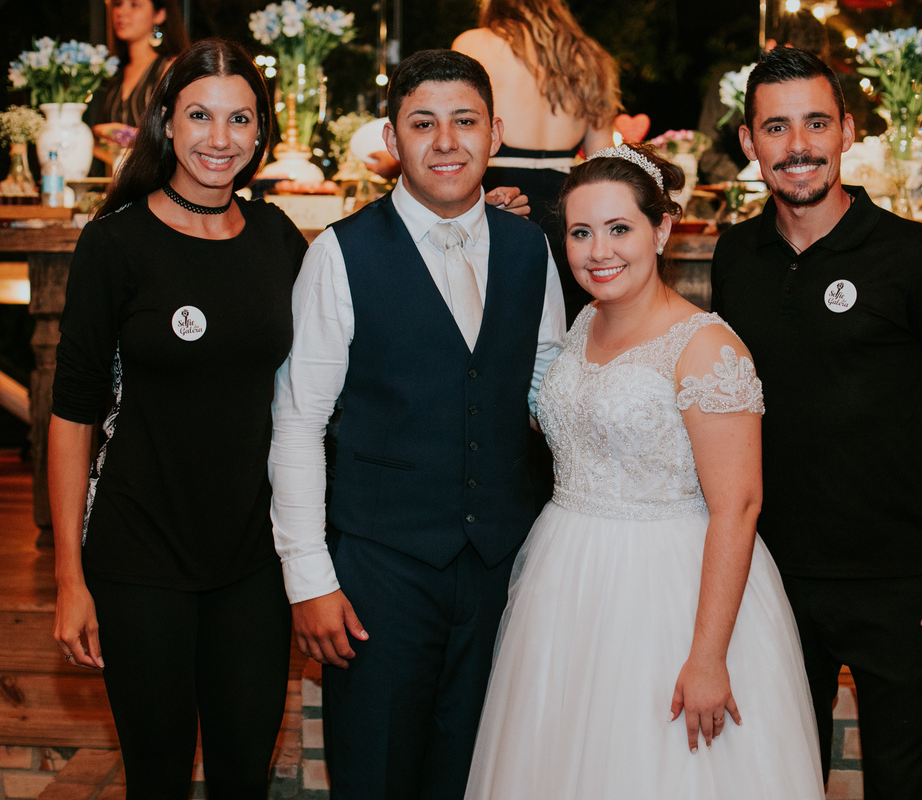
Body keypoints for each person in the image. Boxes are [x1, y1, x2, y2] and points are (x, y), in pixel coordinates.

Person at [464, 143, 824, 798]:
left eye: (619, 228)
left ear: (660, 229)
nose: (597, 251)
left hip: (666, 588)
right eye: (580, 232)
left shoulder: (706, 347)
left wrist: (709, 656)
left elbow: (738, 506)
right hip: (564, 575)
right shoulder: (582, 325)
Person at [268, 49, 566, 799]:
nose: (446, 142)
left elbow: (547, 393)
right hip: (381, 574)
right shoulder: (339, 254)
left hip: (500, 569)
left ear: (495, 134)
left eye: (464, 121)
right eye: (422, 123)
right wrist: (308, 579)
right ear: (391, 138)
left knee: (479, 778)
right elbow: (298, 422)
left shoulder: (531, 248)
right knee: (376, 776)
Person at [711, 46, 922, 800]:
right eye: (776, 127)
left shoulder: (912, 254)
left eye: (816, 123)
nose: (798, 145)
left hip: (901, 584)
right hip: (771, 579)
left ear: (847, 131)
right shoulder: (735, 255)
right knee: (777, 787)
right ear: (748, 141)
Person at [50, 38, 306, 798]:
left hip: (253, 558)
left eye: (239, 119)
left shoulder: (278, 239)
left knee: (243, 781)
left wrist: (475, 211)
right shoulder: (115, 244)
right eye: (200, 115)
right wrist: (68, 577)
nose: (219, 138)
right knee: (157, 780)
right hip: (139, 554)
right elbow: (71, 417)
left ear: (261, 132)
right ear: (166, 121)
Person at [453, 0, 620, 322]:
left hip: (500, 202)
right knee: (565, 323)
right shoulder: (589, 55)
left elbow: (456, 132)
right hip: (568, 210)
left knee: (494, 323)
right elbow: (603, 162)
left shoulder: (473, 43)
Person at [92, 0, 189, 164]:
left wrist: (125, 134)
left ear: (159, 15)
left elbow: (182, 136)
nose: (121, 12)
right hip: (119, 176)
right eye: (118, 4)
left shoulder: (170, 68)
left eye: (134, 4)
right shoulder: (114, 73)